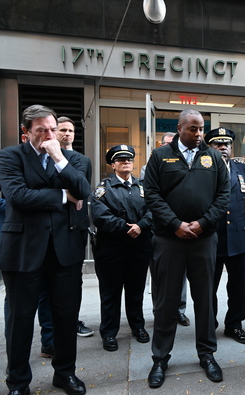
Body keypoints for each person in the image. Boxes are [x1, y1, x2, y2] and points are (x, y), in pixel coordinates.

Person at [0, 104, 90, 395]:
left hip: (66, 252)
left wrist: (59, 158)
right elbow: (17, 195)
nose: (49, 135)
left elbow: (83, 191)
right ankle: (18, 382)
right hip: (24, 250)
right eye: (41, 131)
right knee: (20, 320)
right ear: (26, 133)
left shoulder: (75, 159)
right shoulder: (10, 157)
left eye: (52, 129)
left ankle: (65, 374)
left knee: (65, 317)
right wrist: (63, 195)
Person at [144, 109, 229, 388]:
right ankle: (160, 358)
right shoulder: (160, 156)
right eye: (193, 129)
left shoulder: (214, 158)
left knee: (204, 299)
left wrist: (203, 224)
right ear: (180, 128)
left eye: (201, 128)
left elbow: (223, 196)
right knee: (166, 301)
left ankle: (207, 354)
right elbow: (152, 195)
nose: (199, 134)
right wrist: (175, 223)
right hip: (169, 240)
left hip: (204, 240)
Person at [0, 150, 55, 359]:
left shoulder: (55, 160)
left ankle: (49, 343)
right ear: (26, 133)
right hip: (16, 240)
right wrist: (17, 206)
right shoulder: (5, 158)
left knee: (48, 295)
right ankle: (15, 354)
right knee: (16, 302)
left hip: (48, 239)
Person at [91, 145, 153, 351]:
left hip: (139, 248)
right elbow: (100, 216)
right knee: (110, 293)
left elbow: (153, 210)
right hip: (112, 249)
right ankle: (109, 333)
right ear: (112, 164)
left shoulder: (143, 186)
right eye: (120, 159)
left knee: (136, 291)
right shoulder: (103, 188)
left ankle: (138, 327)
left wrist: (141, 226)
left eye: (129, 159)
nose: (126, 162)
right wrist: (127, 228)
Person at [205, 127, 245, 344]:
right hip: (210, 239)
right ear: (209, 147)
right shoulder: (200, 170)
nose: (223, 147)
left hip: (238, 238)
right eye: (217, 144)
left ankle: (234, 325)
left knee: (239, 287)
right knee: (208, 288)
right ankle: (209, 326)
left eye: (226, 144)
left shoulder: (243, 169)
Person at [141, 131, 191, 327]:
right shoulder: (150, 167)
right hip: (161, 228)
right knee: (160, 275)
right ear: (161, 145)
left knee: (182, 275)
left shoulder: (186, 165)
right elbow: (154, 197)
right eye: (168, 143)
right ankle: (160, 311)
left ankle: (179, 310)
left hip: (183, 227)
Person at [56, 116, 95, 337]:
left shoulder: (82, 160)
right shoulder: (46, 158)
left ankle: (74, 320)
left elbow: (82, 189)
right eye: (63, 130)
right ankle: (52, 326)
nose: (67, 134)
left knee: (74, 278)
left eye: (70, 131)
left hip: (76, 227)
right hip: (53, 224)